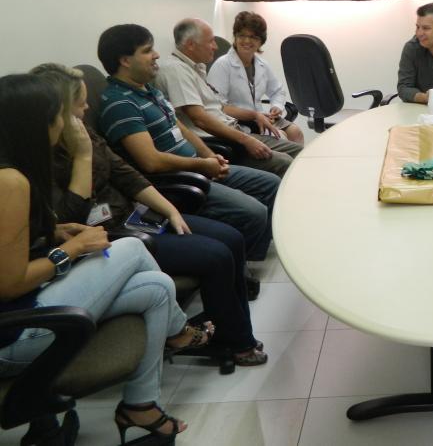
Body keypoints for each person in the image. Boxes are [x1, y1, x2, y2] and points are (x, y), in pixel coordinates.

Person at [0, 74, 208, 443]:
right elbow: (9, 283)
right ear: (37, 123)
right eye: (59, 116)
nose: (66, 123)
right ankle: (179, 332)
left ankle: (140, 405)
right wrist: (72, 250)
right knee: (129, 246)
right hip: (13, 334)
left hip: (25, 309)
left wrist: (58, 231)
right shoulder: (9, 182)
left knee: (158, 287)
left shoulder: (14, 171)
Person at [36, 64, 266, 366]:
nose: (88, 107)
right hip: (107, 238)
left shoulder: (83, 133)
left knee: (232, 238)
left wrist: (169, 210)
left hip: (134, 217)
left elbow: (126, 175)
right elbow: (70, 216)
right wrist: (82, 158)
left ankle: (232, 331)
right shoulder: (43, 155)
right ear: (59, 111)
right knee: (216, 256)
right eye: (80, 103)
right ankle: (235, 342)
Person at [95, 23, 280, 262]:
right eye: (147, 50)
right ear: (125, 61)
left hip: (198, 165)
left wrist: (207, 156)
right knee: (253, 211)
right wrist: (201, 166)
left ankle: (251, 254)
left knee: (271, 184)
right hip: (178, 179)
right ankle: (244, 265)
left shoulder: (147, 89)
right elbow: (150, 162)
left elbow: (178, 126)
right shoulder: (119, 104)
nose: (156, 55)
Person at [154, 18, 302, 177]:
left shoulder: (196, 68)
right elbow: (200, 119)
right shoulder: (176, 71)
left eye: (253, 37)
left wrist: (256, 115)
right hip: (222, 142)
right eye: (210, 41)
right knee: (286, 161)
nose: (216, 46)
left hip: (237, 129)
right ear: (190, 44)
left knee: (301, 153)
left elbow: (218, 107)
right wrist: (246, 140)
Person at [207, 11, 304, 144]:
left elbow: (277, 91)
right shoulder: (222, 65)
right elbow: (218, 107)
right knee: (281, 137)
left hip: (260, 117)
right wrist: (254, 116)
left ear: (261, 41)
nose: (247, 41)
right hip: (237, 122)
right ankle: (285, 164)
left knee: (295, 132)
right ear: (235, 37)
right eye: (242, 35)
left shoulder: (262, 64)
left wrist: (276, 107)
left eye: (253, 37)